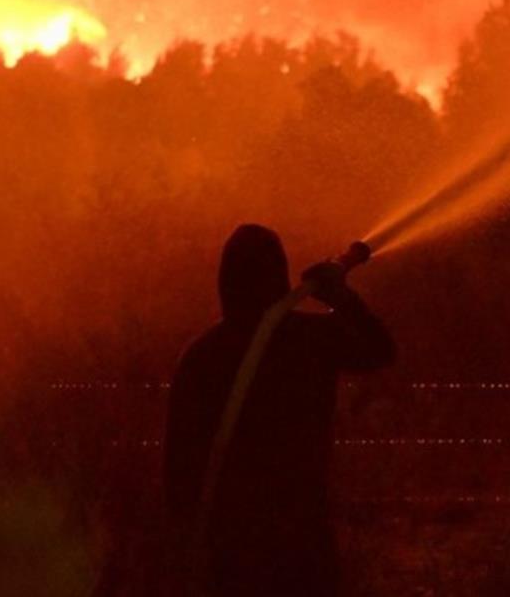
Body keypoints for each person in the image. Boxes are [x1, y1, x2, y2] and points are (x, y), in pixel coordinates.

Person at [164, 224, 395, 596]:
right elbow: (380, 350)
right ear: (281, 277)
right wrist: (342, 298)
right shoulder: (311, 341)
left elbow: (177, 475)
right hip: (303, 546)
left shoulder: (201, 356)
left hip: (231, 555)